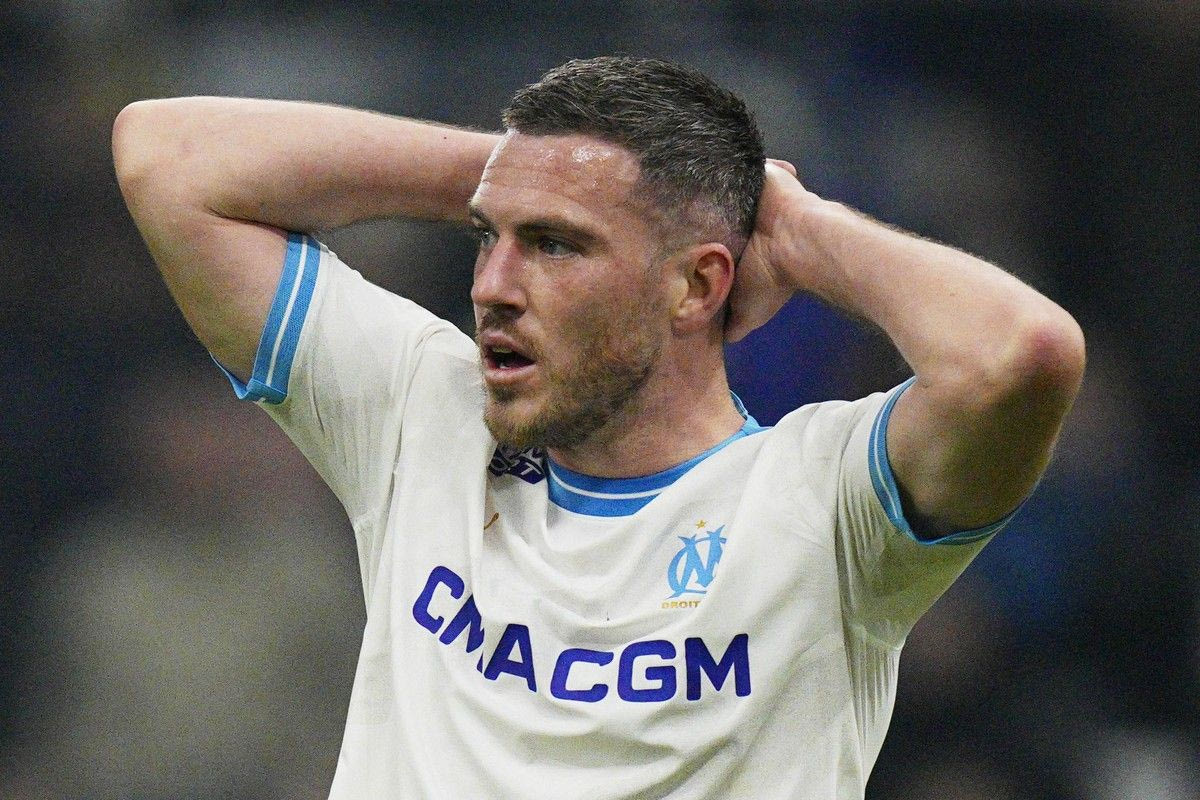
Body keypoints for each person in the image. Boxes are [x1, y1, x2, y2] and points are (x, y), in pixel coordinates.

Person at [112, 56, 1085, 799]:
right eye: (489, 237)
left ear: (696, 284)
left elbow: (1020, 354)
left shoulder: (824, 502)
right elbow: (167, 157)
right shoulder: (424, 412)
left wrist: (793, 227)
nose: (492, 286)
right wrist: (527, 175)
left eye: (554, 245)